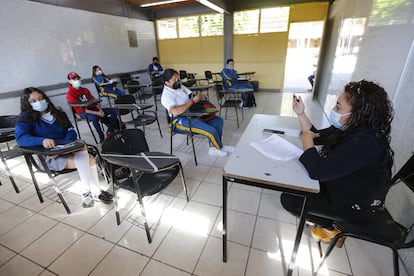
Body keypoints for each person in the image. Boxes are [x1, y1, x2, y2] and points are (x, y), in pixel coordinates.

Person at [281, 80, 394, 242]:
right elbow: (316, 136)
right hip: (344, 187)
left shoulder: (364, 143)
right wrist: (301, 113)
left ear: (358, 113)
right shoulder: (353, 128)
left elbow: (317, 171)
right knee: (297, 181)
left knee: (289, 199)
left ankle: (332, 225)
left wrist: (306, 140)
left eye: (338, 107)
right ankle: (328, 222)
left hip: (354, 207)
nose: (333, 110)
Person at [15, 87, 113, 208]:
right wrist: (42, 140)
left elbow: (71, 132)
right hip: (48, 156)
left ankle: (88, 191)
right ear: (27, 104)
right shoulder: (25, 119)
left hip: (66, 149)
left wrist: (63, 147)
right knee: (89, 159)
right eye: (33, 101)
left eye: (41, 98)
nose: (39, 102)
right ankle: (94, 191)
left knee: (84, 148)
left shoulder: (59, 114)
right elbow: (21, 139)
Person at [161, 68, 233, 157]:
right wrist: (193, 101)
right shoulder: (166, 96)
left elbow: (191, 95)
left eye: (178, 79)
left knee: (218, 121)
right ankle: (219, 148)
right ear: (166, 82)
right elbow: (175, 112)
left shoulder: (180, 87)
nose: (177, 81)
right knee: (211, 130)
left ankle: (215, 147)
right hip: (179, 121)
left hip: (192, 113)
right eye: (174, 80)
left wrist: (199, 97)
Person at [66, 72, 119, 143]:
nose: (77, 81)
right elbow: (82, 109)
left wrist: (100, 111)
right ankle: (101, 136)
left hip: (93, 108)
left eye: (78, 79)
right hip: (83, 112)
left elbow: (94, 101)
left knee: (113, 111)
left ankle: (110, 131)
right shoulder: (70, 94)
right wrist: (97, 113)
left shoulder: (85, 90)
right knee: (94, 117)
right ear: (70, 81)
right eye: (74, 79)